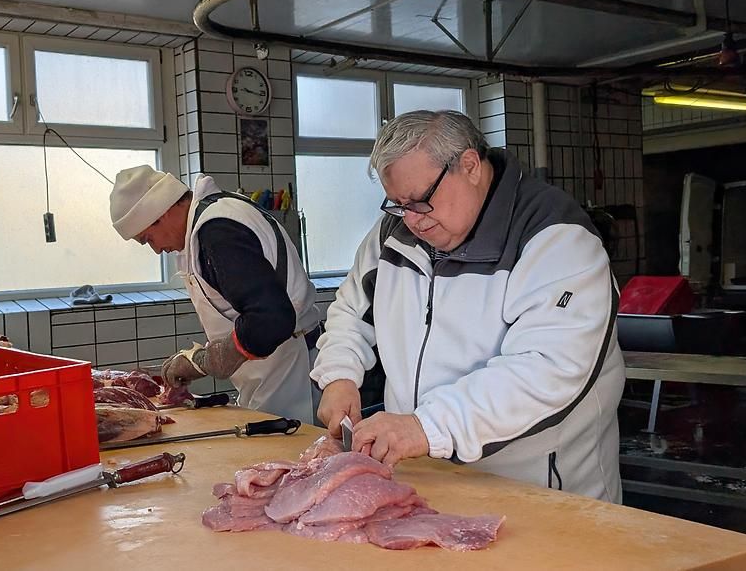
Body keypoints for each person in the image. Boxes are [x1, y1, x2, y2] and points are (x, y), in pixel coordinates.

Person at [311, 110, 624, 502]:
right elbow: (350, 311)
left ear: (470, 166)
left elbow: (547, 369)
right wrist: (340, 375)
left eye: (421, 201)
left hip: (542, 491)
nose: (412, 220)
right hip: (427, 479)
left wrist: (424, 426)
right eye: (397, 204)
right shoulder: (395, 234)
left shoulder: (555, 238)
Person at [109, 166, 320, 422]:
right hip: (272, 366)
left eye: (148, 238)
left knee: (296, 458)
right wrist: (206, 357)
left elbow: (271, 318)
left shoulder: (218, 231)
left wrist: (208, 360)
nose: (156, 250)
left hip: (289, 365)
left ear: (161, 213)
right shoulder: (212, 219)